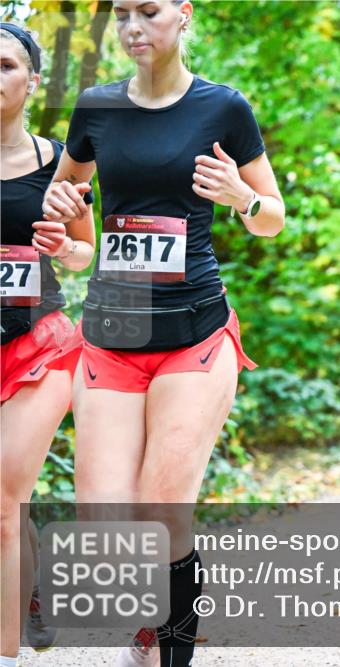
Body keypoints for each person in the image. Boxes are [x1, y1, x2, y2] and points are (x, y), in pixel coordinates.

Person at [42, 2, 285, 665]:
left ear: (183, 16)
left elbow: (272, 217)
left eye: (147, 12)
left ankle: (171, 653)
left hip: (194, 334)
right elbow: (68, 217)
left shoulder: (223, 108)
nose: (131, 28)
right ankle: (149, 625)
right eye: (121, 15)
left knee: (164, 506)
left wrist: (243, 198)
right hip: (113, 332)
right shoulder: (96, 109)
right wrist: (63, 211)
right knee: (105, 519)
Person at [0, 23, 96, 667]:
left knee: (2, 503)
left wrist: (68, 247)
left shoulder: (58, 160)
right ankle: (29, 589)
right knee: (9, 506)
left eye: (5, 65)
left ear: (33, 81)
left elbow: (92, 250)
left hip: (39, 344)